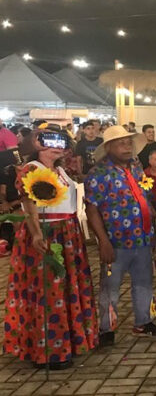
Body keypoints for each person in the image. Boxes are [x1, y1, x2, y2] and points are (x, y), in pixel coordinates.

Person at [4, 126, 97, 369]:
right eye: (49, 139)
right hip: (49, 232)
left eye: (61, 140)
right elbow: (30, 205)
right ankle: (49, 350)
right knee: (49, 292)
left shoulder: (61, 170)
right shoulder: (32, 170)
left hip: (68, 232)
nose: (56, 145)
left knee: (65, 288)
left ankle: (68, 343)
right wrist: (36, 233)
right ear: (37, 141)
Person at [85, 125, 156, 345]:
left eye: (129, 142)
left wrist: (153, 229)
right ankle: (106, 329)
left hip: (142, 237)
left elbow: (143, 196)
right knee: (110, 287)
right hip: (116, 241)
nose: (127, 146)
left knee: (144, 283)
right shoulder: (98, 173)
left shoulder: (136, 167)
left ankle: (144, 321)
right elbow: (91, 209)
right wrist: (103, 241)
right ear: (109, 146)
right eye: (121, 143)